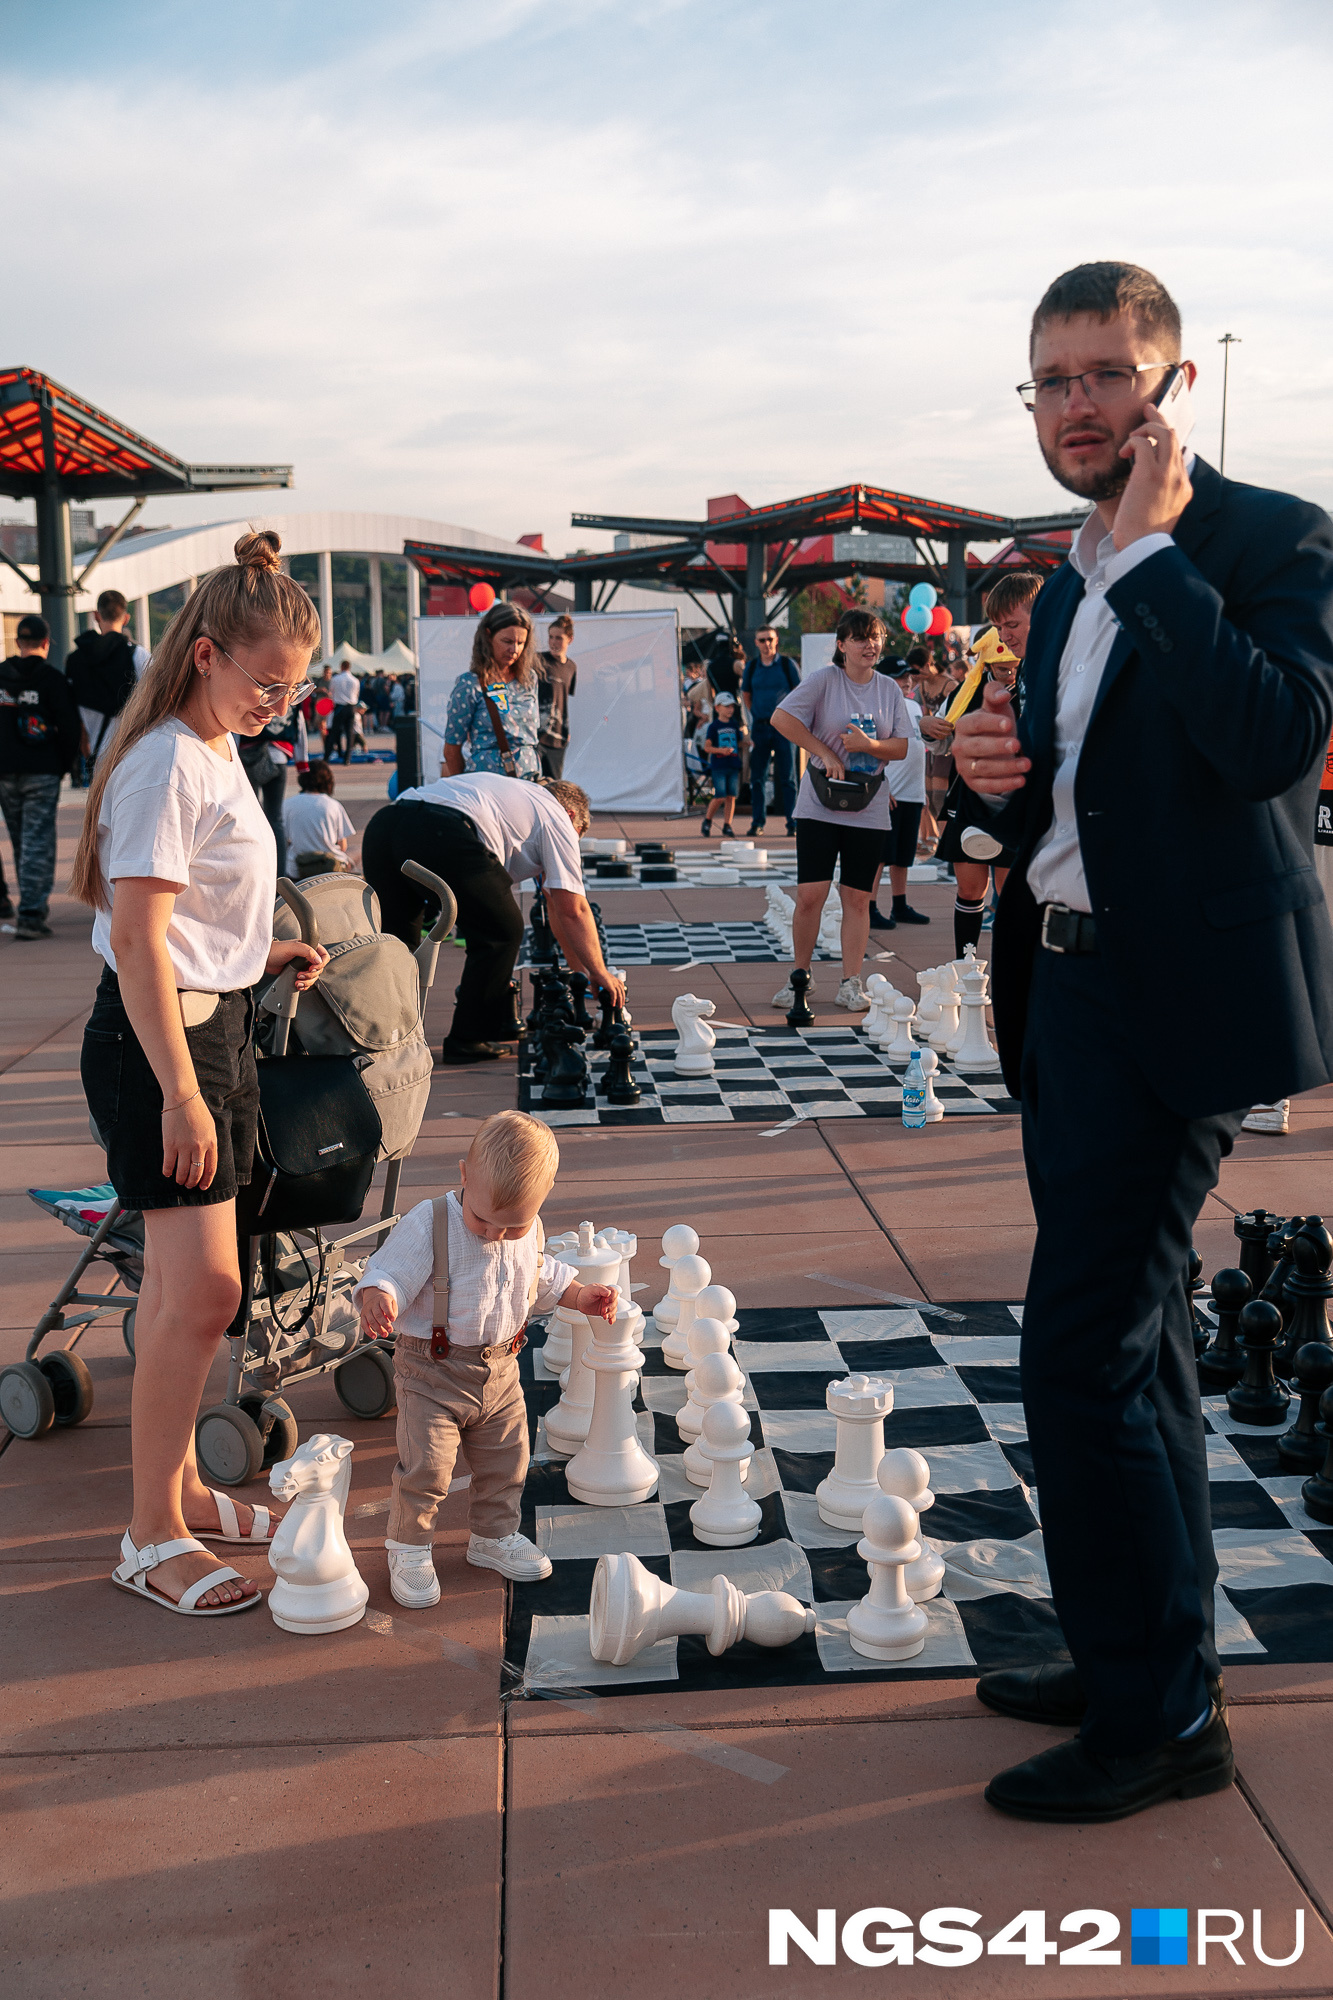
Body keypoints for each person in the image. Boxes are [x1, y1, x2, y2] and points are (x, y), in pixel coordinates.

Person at [953, 260, 1333, 1822]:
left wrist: (1159, 562)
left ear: (1169, 385)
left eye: (1106, 373)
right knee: (1138, 1341)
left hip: (1175, 997)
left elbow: (1273, 743)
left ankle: (1162, 1716)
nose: (1077, 405)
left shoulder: (1267, 538)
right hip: (1071, 987)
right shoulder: (1061, 572)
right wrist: (990, 778)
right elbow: (1070, 802)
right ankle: (1139, 1652)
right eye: (1051, 381)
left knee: (1086, 1349)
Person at [71, 531, 328, 1618]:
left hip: (202, 1022)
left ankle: (177, 1488)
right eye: (268, 681)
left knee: (187, 1290)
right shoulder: (172, 758)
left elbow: (187, 921)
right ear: (209, 652)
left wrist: (253, 952)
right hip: (158, 1045)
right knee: (207, 1292)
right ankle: (149, 1532)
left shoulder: (214, 746)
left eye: (295, 687)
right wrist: (178, 1089)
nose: (281, 701)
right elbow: (135, 937)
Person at [354, 1111, 620, 1604]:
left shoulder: (531, 1230)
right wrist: (379, 1296)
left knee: (509, 1461)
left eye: (512, 1226)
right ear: (463, 1175)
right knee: (428, 1467)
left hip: (501, 1372)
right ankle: (408, 1547)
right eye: (483, 1221)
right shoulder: (431, 1221)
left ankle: (492, 1538)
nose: (496, 1234)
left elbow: (543, 1277)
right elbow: (387, 1269)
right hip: (431, 1372)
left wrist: (580, 1295)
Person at [361, 770, 625, 1063]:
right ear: (572, 814)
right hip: (440, 829)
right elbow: (573, 909)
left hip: (386, 823)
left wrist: (584, 973)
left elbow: (557, 910)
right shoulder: (557, 817)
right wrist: (600, 971)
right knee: (503, 930)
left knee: (397, 941)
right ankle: (469, 1038)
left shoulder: (519, 797)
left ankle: (384, 1038)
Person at [768, 607, 908, 1012]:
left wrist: (869, 747)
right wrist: (826, 752)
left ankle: (851, 982)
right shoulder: (824, 680)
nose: (871, 644)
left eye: (877, 636)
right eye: (861, 637)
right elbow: (782, 718)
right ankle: (800, 976)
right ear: (842, 645)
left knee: (857, 898)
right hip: (820, 804)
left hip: (868, 805)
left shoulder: (889, 689)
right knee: (810, 894)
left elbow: (900, 746)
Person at [936, 578, 1040, 956]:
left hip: (1032, 803)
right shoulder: (974, 687)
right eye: (998, 629)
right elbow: (942, 737)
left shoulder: (1055, 667)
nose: (1005, 638)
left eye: (1011, 626)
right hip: (981, 797)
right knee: (969, 886)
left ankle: (1011, 981)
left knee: (1016, 894)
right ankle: (966, 967)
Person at [0, 612, 81, 939]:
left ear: (18, 642)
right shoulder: (52, 679)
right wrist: (63, 765)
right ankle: (32, 913)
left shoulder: (1, 675)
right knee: (38, 839)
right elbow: (70, 727)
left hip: (4, 770)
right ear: (46, 643)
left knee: (20, 838)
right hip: (43, 770)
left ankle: (26, 904)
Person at [443, 603, 541, 780]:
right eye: (507, 641)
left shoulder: (529, 679)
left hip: (529, 782)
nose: (514, 650)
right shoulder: (469, 684)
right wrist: (465, 787)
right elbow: (451, 750)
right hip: (488, 786)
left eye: (521, 643)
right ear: (488, 636)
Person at [867, 659, 930, 931]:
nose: (907, 681)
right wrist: (881, 784)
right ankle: (869, 906)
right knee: (881, 854)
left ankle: (899, 903)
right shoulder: (879, 705)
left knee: (904, 854)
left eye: (909, 676)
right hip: (890, 790)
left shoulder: (914, 706)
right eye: (900, 677)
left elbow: (920, 746)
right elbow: (870, 748)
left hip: (913, 792)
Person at [67, 589, 149, 768]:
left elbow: (72, 710)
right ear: (126, 618)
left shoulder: (76, 660)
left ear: (97, 616)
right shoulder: (139, 656)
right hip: (134, 754)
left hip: (97, 756)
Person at [740, 626, 800, 836]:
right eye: (762, 640)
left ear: (777, 641)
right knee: (758, 777)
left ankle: (793, 823)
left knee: (788, 777)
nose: (766, 644)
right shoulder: (752, 667)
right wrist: (755, 714)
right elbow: (746, 693)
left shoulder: (787, 665)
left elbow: (798, 692)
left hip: (784, 728)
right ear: (756, 643)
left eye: (770, 639)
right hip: (761, 726)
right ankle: (758, 822)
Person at [282, 760, 357, 877]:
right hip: (331, 867)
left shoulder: (287, 804)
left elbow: (284, 841)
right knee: (357, 852)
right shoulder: (333, 805)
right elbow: (343, 846)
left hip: (296, 868)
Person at [699, 691, 748, 837]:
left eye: (732, 706)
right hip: (719, 766)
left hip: (732, 764)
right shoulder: (713, 727)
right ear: (717, 708)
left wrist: (746, 743)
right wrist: (721, 750)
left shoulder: (734, 725)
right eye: (726, 706)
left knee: (731, 796)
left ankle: (727, 824)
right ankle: (708, 820)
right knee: (720, 795)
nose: (730, 709)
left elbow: (737, 742)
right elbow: (707, 747)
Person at [535, 613, 578, 779]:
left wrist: (566, 730)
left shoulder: (572, 667)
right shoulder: (537, 660)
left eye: (559, 638)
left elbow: (563, 700)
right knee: (533, 784)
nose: (553, 642)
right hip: (535, 735)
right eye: (551, 637)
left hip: (558, 738)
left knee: (554, 785)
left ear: (570, 639)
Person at [328, 659, 361, 763]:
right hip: (351, 707)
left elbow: (331, 692)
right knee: (349, 733)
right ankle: (347, 758)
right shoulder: (355, 680)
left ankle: (327, 756)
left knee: (334, 732)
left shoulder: (336, 679)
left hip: (339, 707)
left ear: (341, 667)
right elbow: (357, 694)